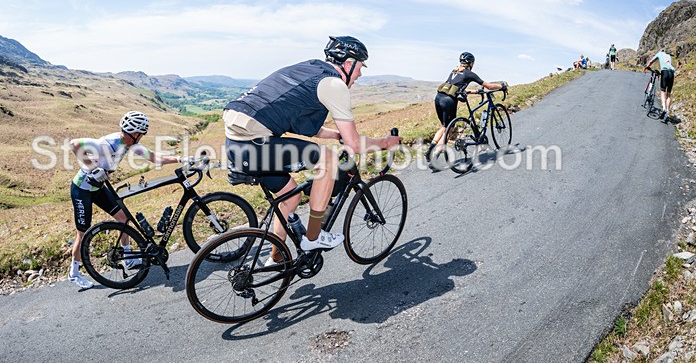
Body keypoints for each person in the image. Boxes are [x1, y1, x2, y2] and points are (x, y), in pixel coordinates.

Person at [223, 36, 401, 262]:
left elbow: (304, 125)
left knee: (290, 198)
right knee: (327, 160)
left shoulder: (309, 69)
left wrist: (336, 134)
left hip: (236, 144)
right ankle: (314, 236)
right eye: (360, 66)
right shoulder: (334, 84)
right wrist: (385, 142)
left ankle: (275, 260)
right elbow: (355, 145)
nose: (360, 74)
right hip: (254, 143)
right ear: (348, 64)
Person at [67, 111, 182, 289]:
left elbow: (153, 157)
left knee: (124, 220)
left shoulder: (129, 144)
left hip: (98, 189)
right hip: (82, 190)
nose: (142, 137)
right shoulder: (107, 144)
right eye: (141, 134)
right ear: (135, 134)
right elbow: (74, 144)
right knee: (82, 234)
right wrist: (92, 167)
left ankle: (128, 259)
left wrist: (180, 158)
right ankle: (74, 273)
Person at [426, 52, 507, 165]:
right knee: (449, 129)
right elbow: (488, 86)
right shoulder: (469, 74)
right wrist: (502, 87)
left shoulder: (454, 71)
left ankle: (430, 148)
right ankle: (435, 155)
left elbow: (457, 89)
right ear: (471, 63)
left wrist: (476, 92)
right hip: (448, 101)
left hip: (438, 98)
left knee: (444, 126)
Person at [644, 49, 677, 122]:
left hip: (664, 72)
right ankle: (667, 113)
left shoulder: (659, 54)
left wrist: (647, 66)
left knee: (662, 91)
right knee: (668, 94)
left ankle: (664, 108)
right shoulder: (668, 55)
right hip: (671, 73)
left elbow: (651, 61)